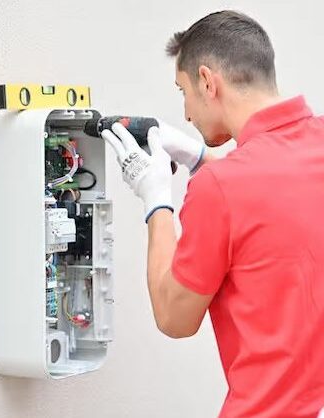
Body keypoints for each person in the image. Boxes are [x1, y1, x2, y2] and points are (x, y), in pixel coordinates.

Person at [101, 10, 324, 418]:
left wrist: (156, 200)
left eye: (182, 91)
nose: (185, 113)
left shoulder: (221, 190)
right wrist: (202, 158)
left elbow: (174, 317)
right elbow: (275, 189)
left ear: (208, 81)